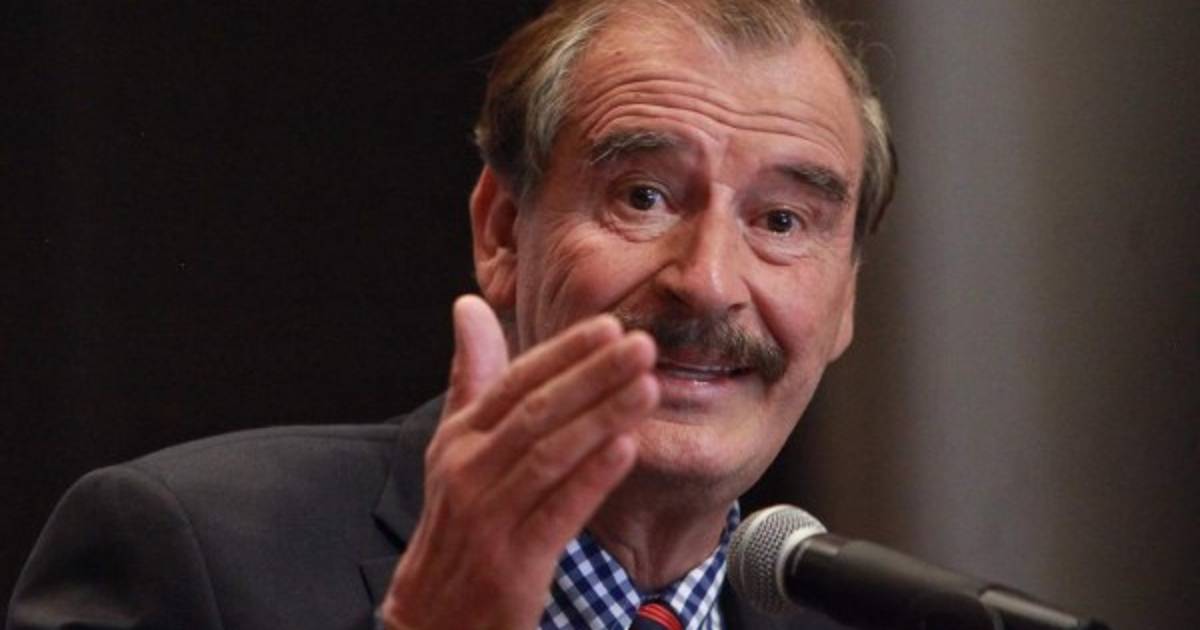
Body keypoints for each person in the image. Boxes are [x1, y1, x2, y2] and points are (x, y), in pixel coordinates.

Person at [8, 0, 895, 628]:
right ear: (502, 232)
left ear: (847, 297)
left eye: (783, 222)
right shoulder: (184, 554)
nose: (706, 281)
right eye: (643, 196)